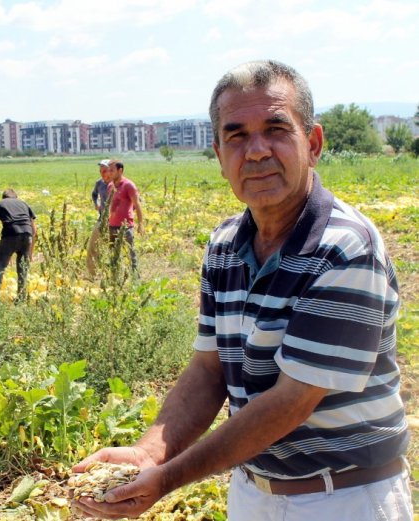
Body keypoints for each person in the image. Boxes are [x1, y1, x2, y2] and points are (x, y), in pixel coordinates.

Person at [71, 60, 411, 521]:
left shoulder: (346, 248)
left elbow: (290, 403)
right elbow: (209, 370)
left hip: (342, 498)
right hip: (253, 492)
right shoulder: (224, 245)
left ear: (312, 144)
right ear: (219, 154)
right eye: (236, 136)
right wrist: (148, 453)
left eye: (275, 129)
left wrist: (167, 477)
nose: (255, 152)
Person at [0, 189, 37, 302]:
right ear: (16, 197)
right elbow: (34, 230)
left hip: (10, 235)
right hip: (27, 235)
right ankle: (21, 299)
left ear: (3, 197)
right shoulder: (24, 204)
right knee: (23, 270)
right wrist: (30, 252)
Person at [106, 160, 143, 276]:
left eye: (112, 170)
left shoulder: (128, 185)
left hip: (126, 227)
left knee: (131, 254)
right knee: (113, 255)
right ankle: (115, 278)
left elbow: (137, 204)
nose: (109, 173)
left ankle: (135, 279)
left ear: (120, 170)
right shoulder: (110, 186)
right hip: (112, 226)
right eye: (108, 170)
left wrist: (141, 223)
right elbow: (110, 205)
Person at [86, 159, 112, 277]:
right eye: (100, 171)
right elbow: (94, 194)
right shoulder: (99, 183)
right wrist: (96, 203)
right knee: (93, 247)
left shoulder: (119, 183)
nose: (102, 173)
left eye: (105, 171)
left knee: (114, 248)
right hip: (102, 219)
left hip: (117, 223)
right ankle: (93, 275)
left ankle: (115, 274)